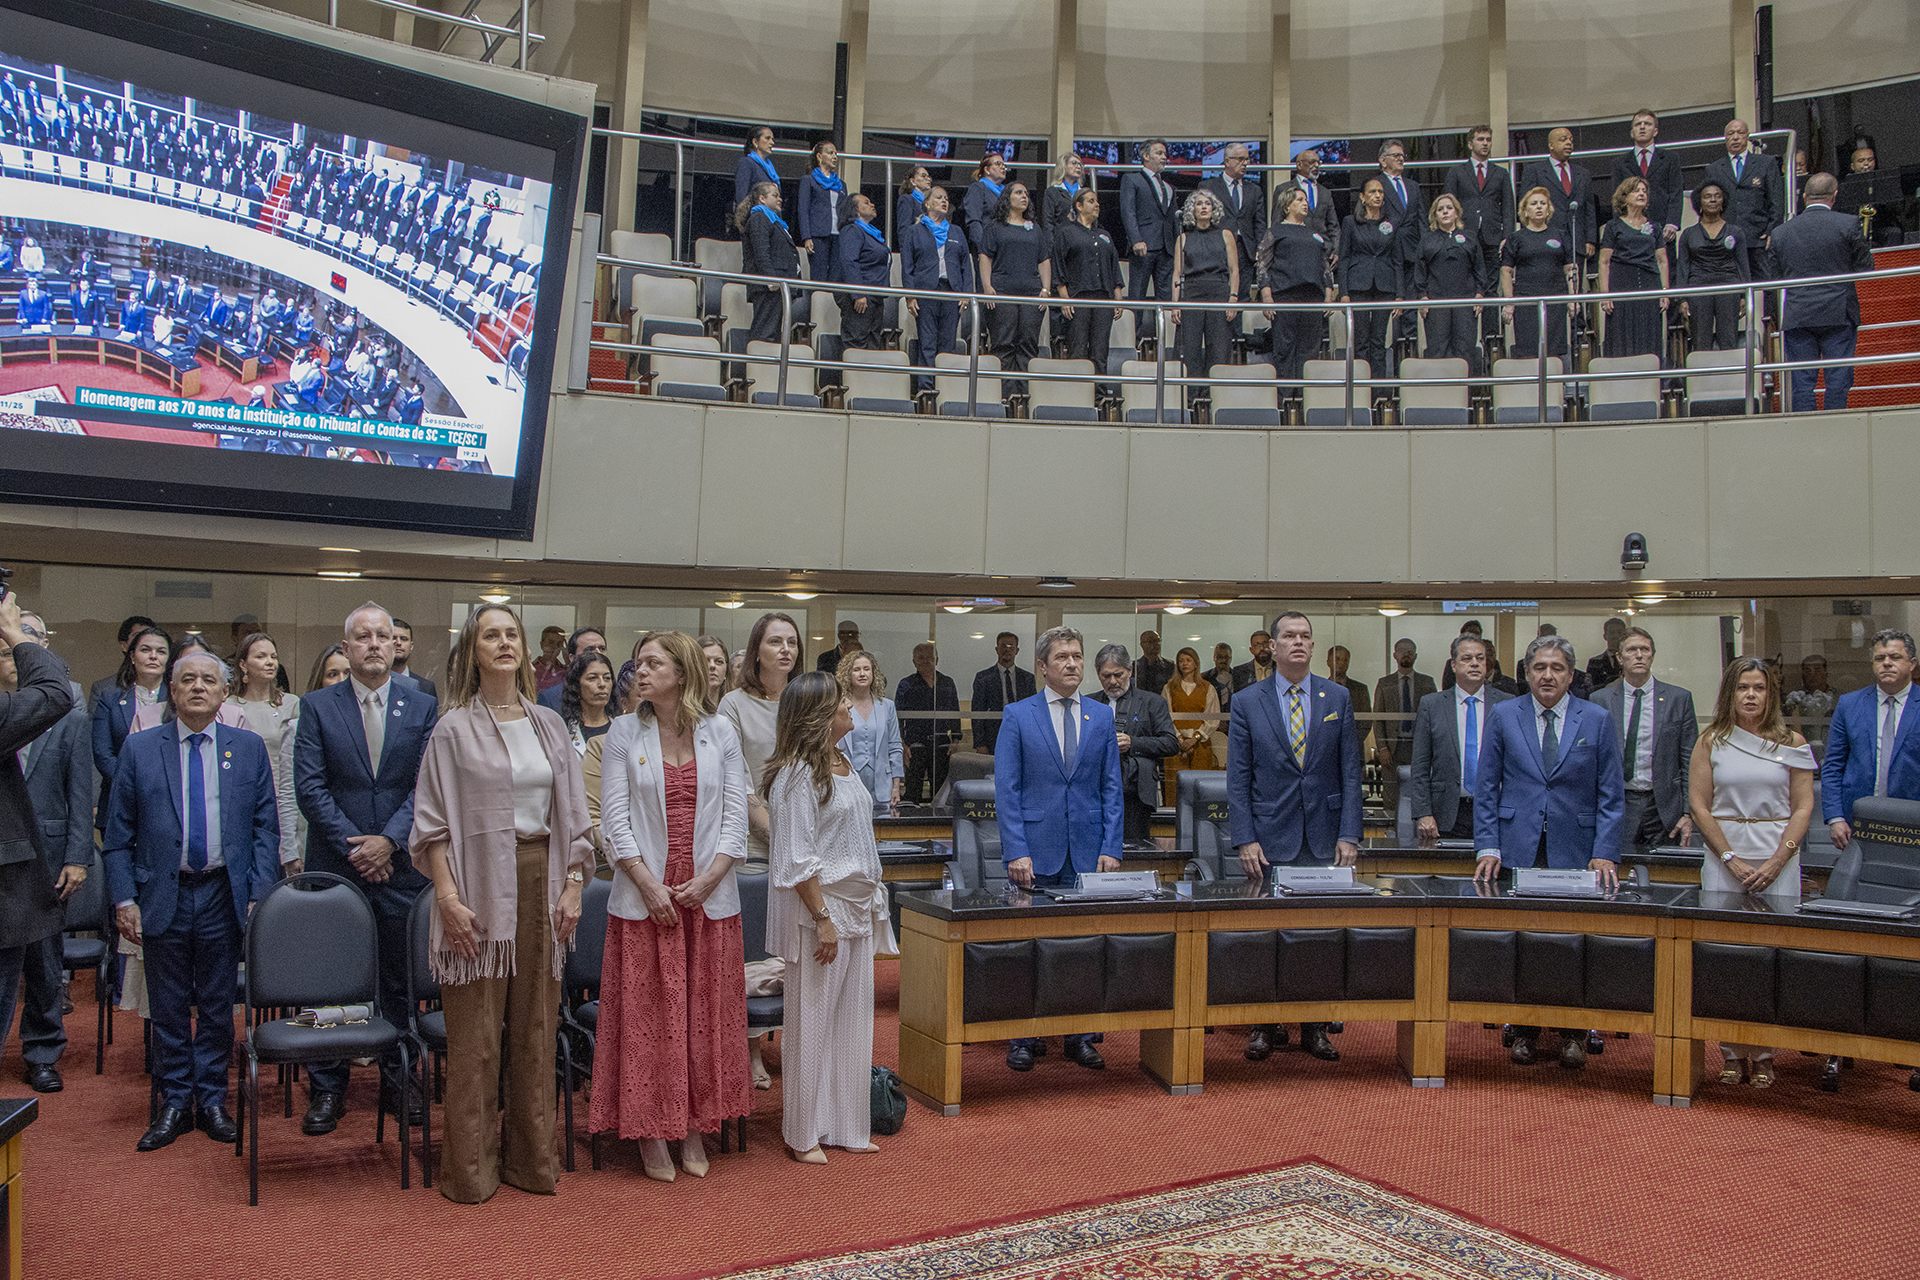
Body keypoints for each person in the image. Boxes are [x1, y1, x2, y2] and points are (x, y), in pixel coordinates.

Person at [415, 604, 591, 1202]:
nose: (505, 642)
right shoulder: (452, 728)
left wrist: (573, 883)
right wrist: (446, 897)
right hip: (475, 887)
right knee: (478, 1038)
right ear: (473, 650)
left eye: (512, 633)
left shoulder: (548, 724)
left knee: (537, 1030)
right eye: (491, 635)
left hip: (543, 879)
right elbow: (431, 827)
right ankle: (471, 1172)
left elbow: (575, 818)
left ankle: (530, 1163)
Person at [104, 649, 278, 1151]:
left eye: (209, 680)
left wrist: (259, 893)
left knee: (220, 1006)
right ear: (172, 691)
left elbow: (267, 827)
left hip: (225, 893)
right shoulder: (139, 749)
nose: (198, 686)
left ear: (225, 694)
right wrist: (123, 898)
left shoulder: (246, 749)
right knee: (170, 1007)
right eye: (187, 680)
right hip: (164, 894)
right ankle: (175, 1102)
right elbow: (117, 837)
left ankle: (214, 1100)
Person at [594, 630, 750, 1182]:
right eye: (638, 663)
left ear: (680, 674)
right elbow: (613, 820)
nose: (640, 671)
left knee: (701, 1017)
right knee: (650, 1018)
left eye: (653, 663)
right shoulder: (621, 732)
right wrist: (647, 883)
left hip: (707, 895)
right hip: (646, 897)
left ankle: (691, 1126)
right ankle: (650, 1131)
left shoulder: (721, 732)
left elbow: (736, 816)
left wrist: (709, 879)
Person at [292, 601, 439, 1136]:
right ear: (347, 646)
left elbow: (427, 784)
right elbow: (310, 787)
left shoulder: (423, 705)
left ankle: (400, 1084)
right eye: (363, 637)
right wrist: (358, 847)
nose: (375, 644)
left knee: (399, 981)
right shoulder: (317, 706)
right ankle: (327, 1089)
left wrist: (389, 842)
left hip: (401, 867)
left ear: (395, 645)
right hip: (338, 868)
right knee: (331, 982)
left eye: (383, 635)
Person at [1472, 634, 1626, 1070]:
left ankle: (1574, 1032)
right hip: (1518, 848)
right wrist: (1488, 843)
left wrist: (1606, 852)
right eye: (1539, 667)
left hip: (1577, 849)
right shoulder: (1503, 715)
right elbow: (1486, 788)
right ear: (1526, 673)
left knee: (1572, 943)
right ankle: (1523, 1029)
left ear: (1571, 675)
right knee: (1524, 942)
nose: (1548, 675)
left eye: (1557, 668)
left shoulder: (1595, 719)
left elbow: (1611, 794)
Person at [1227, 612, 1362, 1064]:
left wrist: (1350, 833)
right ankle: (1265, 1025)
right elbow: (1238, 777)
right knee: (1267, 935)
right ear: (1273, 646)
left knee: (1318, 937)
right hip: (1268, 837)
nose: (1298, 642)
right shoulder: (1248, 701)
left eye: (1305, 636)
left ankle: (1316, 1027)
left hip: (1324, 838)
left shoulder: (1337, 696)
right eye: (1289, 636)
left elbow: (1349, 770)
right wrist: (1244, 837)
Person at [765, 671, 890, 1161]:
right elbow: (796, 857)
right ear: (819, 713)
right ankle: (804, 1132)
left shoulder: (842, 761)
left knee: (854, 1022)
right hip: (822, 910)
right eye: (842, 700)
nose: (850, 707)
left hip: (857, 906)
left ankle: (846, 1126)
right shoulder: (797, 773)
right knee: (812, 1024)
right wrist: (821, 917)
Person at [994, 626, 1122, 1072]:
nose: (1072, 664)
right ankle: (1023, 1038)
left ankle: (1079, 1035)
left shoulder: (1100, 717)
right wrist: (1016, 850)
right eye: (1062, 657)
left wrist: (1112, 846)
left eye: (1077, 656)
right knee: (1028, 945)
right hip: (1034, 852)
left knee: (1081, 947)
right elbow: (1007, 790)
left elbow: (1111, 788)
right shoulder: (1018, 715)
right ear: (1042, 666)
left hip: (1087, 851)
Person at [1688, 657, 1817, 1088]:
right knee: (1726, 959)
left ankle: (1763, 1054)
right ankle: (1729, 1051)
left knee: (1770, 959)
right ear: (1730, 692)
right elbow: (1700, 807)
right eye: (1743, 687)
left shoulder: (1792, 741)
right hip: (1725, 861)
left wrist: (1779, 860)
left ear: (1770, 693)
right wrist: (1729, 858)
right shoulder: (1711, 741)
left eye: (1759, 688)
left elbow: (1803, 806)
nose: (1750, 695)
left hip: (1778, 859)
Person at [0, 622, 89, 1094]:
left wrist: (78, 856)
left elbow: (81, 792)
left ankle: (42, 1051)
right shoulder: (6, 711)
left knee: (45, 962)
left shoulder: (69, 717)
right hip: (6, 865)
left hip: (50, 856)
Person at [1769, 173, 1874, 414]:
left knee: (1802, 382)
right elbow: (1866, 268)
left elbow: (1774, 277)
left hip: (1798, 314)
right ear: (1834, 196)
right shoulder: (1848, 223)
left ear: (1804, 197)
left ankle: (1806, 432)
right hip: (1838, 312)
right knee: (1838, 379)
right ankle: (1835, 427)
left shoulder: (1781, 232)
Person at [1590, 627, 1698, 857]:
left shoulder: (1679, 699)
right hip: (1619, 803)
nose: (1639, 655)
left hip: (1664, 807)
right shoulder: (1601, 700)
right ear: (1620, 658)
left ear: (1652, 655)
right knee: (1617, 867)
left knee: (1664, 872)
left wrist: (1688, 813)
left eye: (1644, 650)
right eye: (1631, 650)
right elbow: (1592, 760)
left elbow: (1689, 761)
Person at [1820, 629, 1920, 856]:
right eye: (1879, 658)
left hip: (1913, 820)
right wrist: (1835, 817)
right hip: (1857, 822)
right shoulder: (1849, 704)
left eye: (1895, 657)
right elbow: (1833, 766)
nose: (1886, 663)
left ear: (1912, 663)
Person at [1409, 633, 1513, 843]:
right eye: (1467, 659)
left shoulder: (1507, 704)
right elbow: (1420, 766)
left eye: (1480, 658)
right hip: (1446, 813)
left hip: (1496, 810)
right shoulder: (1432, 705)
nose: (1475, 664)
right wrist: (1423, 813)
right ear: (1454, 665)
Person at [718, 612, 801, 864]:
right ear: (756, 650)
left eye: (792, 642)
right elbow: (737, 786)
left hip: (807, 841)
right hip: (755, 847)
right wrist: (782, 843)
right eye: (775, 642)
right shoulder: (733, 704)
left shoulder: (806, 703)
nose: (785, 649)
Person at [1086, 644, 1179, 843]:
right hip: (1094, 793)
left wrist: (1133, 743)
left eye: (1118, 674)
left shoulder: (1151, 702)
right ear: (1097, 673)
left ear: (1129, 670)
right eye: (1106, 676)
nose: (1112, 681)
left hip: (1135, 793)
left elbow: (1171, 743)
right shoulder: (1088, 703)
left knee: (1134, 852)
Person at [228, 632, 301, 871]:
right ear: (243, 664)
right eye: (261, 656)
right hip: (241, 798)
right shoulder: (227, 706)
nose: (270, 662)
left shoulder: (291, 704)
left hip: (283, 798)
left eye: (273, 656)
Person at [91, 623, 171, 836]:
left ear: (168, 660)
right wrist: (133, 783)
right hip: (118, 799)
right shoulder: (110, 698)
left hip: (168, 801)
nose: (153, 656)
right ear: (132, 656)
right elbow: (102, 753)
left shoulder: (177, 701)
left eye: (161, 651)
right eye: (146, 650)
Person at [977, 182, 1051, 392]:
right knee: (1003, 343)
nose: (1024, 196)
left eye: (1026, 193)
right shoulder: (995, 227)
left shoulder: (1035, 228)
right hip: (1002, 293)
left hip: (1031, 294)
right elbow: (985, 257)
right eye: (1019, 192)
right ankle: (1005, 393)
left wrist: (1045, 289)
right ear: (1007, 198)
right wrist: (987, 286)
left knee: (1028, 343)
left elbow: (1044, 260)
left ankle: (1024, 395)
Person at [898, 187, 972, 392]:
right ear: (927, 203)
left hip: (951, 292)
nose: (944, 201)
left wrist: (966, 294)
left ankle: (946, 388)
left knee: (947, 344)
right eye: (939, 197)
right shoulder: (914, 231)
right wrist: (910, 295)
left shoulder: (956, 231)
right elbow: (908, 265)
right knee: (927, 343)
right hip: (926, 292)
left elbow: (966, 263)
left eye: (946, 198)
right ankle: (927, 390)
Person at [1170, 191, 1239, 399]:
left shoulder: (1225, 234)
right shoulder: (1183, 237)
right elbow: (1177, 273)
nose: (1203, 207)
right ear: (1192, 209)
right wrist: (1175, 304)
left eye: (1207, 203)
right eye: (1199, 204)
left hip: (1218, 289)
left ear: (1213, 208)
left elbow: (1234, 269)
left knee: (1218, 347)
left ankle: (1216, 398)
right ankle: (1189, 398)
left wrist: (1233, 298)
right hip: (1191, 291)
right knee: (1189, 347)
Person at [1337, 177, 1403, 396]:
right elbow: (1344, 258)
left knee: (1379, 340)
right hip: (1358, 285)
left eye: (1381, 192)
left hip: (1385, 286)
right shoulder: (1350, 222)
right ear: (1363, 197)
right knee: (1361, 340)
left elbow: (1397, 259)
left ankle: (1380, 393)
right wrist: (1344, 291)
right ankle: (1361, 391)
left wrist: (1400, 294)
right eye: (1373, 192)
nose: (1378, 195)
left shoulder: (1392, 222)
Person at [1260, 184, 1332, 382]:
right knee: (1284, 347)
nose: (1304, 204)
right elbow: (1263, 265)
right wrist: (1266, 295)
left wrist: (1328, 292)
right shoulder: (1275, 231)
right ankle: (1285, 398)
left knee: (1310, 348)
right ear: (1287, 206)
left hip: (1313, 296)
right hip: (1286, 295)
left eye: (1306, 200)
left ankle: (1304, 397)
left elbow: (1324, 264)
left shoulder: (1314, 232)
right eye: (1299, 200)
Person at [1703, 120, 1786, 282]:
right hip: (1726, 239)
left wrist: (1771, 231)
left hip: (1759, 239)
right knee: (1731, 287)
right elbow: (1708, 206)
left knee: (1768, 286)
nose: (1735, 137)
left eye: (1740, 133)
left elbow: (1776, 200)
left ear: (1747, 137)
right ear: (1725, 138)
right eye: (1730, 134)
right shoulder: (1713, 169)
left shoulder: (1766, 163)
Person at [1597, 177, 1670, 360]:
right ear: (1624, 197)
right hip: (1622, 282)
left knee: (1649, 331)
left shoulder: (1654, 226)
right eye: (1636, 190)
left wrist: (1665, 291)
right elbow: (1604, 261)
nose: (1641, 194)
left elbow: (1662, 260)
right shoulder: (1613, 226)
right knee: (1623, 331)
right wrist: (1605, 294)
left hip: (1649, 282)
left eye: (1644, 191)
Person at [1415, 192, 1488, 373]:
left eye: (1449, 208)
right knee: (1438, 348)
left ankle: (1466, 395)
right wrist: (1422, 296)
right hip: (1436, 302)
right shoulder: (1427, 239)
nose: (1445, 212)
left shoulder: (1470, 237)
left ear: (1457, 212)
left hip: (1465, 301)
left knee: (1465, 349)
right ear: (1434, 215)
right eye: (1440, 209)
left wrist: (1480, 294)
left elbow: (1479, 269)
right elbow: (1420, 271)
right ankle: (1439, 395)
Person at [1052, 187, 1123, 370]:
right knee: (1078, 349)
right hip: (1078, 297)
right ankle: (1078, 394)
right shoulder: (1066, 233)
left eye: (1097, 201)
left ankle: (1099, 395)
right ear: (1079, 205)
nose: (1096, 205)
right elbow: (1059, 266)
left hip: (1103, 298)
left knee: (1100, 350)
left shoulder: (1105, 235)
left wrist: (1118, 297)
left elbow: (1114, 266)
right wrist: (1065, 298)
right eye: (1091, 201)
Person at [1502, 187, 1576, 360]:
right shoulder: (1516, 238)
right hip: (1526, 300)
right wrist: (1509, 302)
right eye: (1534, 204)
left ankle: (1556, 385)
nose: (1539, 207)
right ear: (1525, 210)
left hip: (1555, 298)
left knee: (1554, 348)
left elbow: (1570, 269)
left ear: (1549, 209)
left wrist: (1573, 299)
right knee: (1528, 347)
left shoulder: (1560, 235)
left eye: (1543, 203)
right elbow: (1506, 271)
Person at [1676, 180, 1750, 353]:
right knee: (1700, 341)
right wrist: (1682, 299)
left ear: (1723, 201)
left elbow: (1742, 265)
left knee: (1728, 341)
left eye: (1717, 196)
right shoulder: (1688, 234)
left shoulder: (1736, 232)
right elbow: (1683, 267)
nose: (1713, 200)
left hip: (1728, 288)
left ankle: (1729, 378)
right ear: (1699, 202)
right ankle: (1702, 378)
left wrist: (1744, 296)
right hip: (1698, 290)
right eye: (1708, 197)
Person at [1368, 138, 1425, 350]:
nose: (1401, 159)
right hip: (1386, 250)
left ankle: (1408, 347)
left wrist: (1424, 245)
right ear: (1383, 161)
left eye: (1403, 156)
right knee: (1391, 302)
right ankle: (1391, 347)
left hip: (1411, 250)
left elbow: (1421, 219)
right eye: (1396, 155)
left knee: (1410, 299)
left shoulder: (1413, 185)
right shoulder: (1376, 185)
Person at [1120, 138, 1179, 335]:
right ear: (1145, 156)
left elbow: (1173, 219)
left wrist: (1177, 245)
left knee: (1166, 297)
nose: (1164, 157)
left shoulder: (1169, 187)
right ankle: (1133, 340)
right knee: (1137, 295)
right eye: (1159, 153)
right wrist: (1135, 238)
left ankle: (1165, 341)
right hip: (1143, 245)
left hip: (1166, 247)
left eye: (1165, 153)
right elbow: (1128, 212)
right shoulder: (1132, 179)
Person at [1373, 639, 1437, 817]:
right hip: (1393, 747)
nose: (1406, 654)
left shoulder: (1427, 683)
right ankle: (1391, 829)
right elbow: (1378, 719)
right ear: (1395, 655)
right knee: (1392, 790)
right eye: (1402, 650)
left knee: (1419, 787)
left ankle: (1418, 827)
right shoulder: (1385, 683)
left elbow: (1434, 717)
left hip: (1419, 746)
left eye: (1410, 651)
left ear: (1415, 656)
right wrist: (1383, 747)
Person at [1607, 110, 1684, 256]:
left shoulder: (1670, 158)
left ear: (1655, 131)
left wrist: (1672, 223)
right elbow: (1617, 198)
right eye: (1638, 124)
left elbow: (1675, 193)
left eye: (1647, 124)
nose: (1642, 127)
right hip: (1630, 230)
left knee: (1665, 272)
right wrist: (1619, 227)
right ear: (1632, 132)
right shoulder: (1620, 163)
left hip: (1663, 229)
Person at [1518, 128, 1597, 268]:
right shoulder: (1534, 171)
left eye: (1571, 140)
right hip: (1545, 240)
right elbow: (1525, 205)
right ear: (1551, 145)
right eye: (1563, 139)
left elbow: (1589, 207)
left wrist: (1590, 239)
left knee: (1574, 286)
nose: (1569, 143)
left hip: (1576, 241)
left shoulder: (1583, 173)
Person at [739, 181, 802, 348]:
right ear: (762, 199)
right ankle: (757, 368)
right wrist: (771, 280)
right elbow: (761, 252)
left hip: (778, 286)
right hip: (769, 287)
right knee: (764, 332)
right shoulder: (759, 218)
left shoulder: (774, 220)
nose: (780, 199)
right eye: (775, 195)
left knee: (772, 333)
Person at [836, 650, 902, 809]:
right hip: (849, 780)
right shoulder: (840, 706)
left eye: (866, 669)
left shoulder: (887, 706)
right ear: (848, 674)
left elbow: (895, 746)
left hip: (882, 786)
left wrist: (896, 785)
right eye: (856, 669)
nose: (862, 674)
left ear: (873, 673)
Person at [895, 642, 959, 804]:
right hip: (915, 745)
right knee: (913, 790)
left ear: (936, 660)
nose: (925, 661)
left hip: (941, 743)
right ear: (914, 662)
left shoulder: (947, 683)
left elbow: (954, 712)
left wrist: (956, 740)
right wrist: (902, 744)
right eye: (921, 658)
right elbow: (898, 717)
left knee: (940, 790)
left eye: (930, 658)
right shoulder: (906, 684)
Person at [1444, 126, 1514, 273]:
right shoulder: (1456, 172)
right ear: (1470, 144)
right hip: (1464, 233)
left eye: (1488, 140)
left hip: (1493, 236)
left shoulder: (1501, 173)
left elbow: (1508, 208)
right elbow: (1448, 205)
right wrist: (1451, 234)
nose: (1485, 143)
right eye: (1480, 139)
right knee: (1465, 277)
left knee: (1492, 280)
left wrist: (1507, 237)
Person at [1160, 646, 1220, 808]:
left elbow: (1213, 718)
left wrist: (1195, 739)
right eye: (1181, 661)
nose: (1184, 664)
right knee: (1176, 786)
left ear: (1195, 663)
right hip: (1176, 745)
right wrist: (1180, 739)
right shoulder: (1169, 688)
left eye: (1188, 660)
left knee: (1201, 786)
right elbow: (1166, 716)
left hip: (1200, 745)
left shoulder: (1208, 688)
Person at [1199, 142, 1264, 289]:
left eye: (1247, 159)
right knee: (1219, 291)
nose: (1245, 163)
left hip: (1245, 249)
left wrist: (1260, 248)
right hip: (1217, 247)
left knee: (1243, 293)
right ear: (1227, 161)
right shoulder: (1208, 187)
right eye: (1240, 159)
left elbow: (1259, 222)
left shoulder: (1254, 190)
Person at [837, 194, 891, 353]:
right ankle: (852, 378)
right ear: (855, 210)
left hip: (875, 294)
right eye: (866, 203)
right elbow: (849, 261)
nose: (872, 204)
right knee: (856, 341)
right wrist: (858, 293)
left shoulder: (872, 234)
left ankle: (869, 377)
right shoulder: (852, 230)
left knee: (873, 341)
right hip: (861, 296)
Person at [971, 631, 1035, 755]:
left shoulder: (1027, 678)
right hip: (992, 738)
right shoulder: (983, 678)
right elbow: (977, 713)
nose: (1007, 650)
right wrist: (980, 743)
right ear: (996, 649)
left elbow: (1032, 711)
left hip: (1021, 735)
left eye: (1011, 646)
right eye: (1003, 646)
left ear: (1017, 650)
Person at [796, 141, 844, 286]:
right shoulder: (808, 180)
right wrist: (806, 236)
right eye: (830, 153)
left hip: (838, 235)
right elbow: (803, 209)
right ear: (819, 156)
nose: (834, 156)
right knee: (819, 276)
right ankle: (817, 307)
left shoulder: (842, 184)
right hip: (818, 235)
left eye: (835, 153)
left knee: (836, 277)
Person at [87, 614, 158, 712]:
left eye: (150, 636)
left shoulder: (171, 685)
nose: (145, 641)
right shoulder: (104, 688)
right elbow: (97, 726)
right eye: (138, 636)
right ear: (124, 646)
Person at [537, 629, 608, 712]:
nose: (598, 654)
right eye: (589, 649)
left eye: (602, 648)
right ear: (573, 658)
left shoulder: (615, 695)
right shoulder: (550, 698)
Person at [560, 651, 616, 756]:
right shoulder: (563, 731)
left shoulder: (622, 728)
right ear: (576, 685)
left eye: (607, 678)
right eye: (592, 678)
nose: (602, 684)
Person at [1783, 654, 1837, 755]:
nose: (1812, 675)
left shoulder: (1838, 698)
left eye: (1817, 670)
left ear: (1825, 673)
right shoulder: (1794, 700)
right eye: (1808, 671)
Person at [961, 152, 1009, 257]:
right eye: (997, 164)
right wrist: (983, 249)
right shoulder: (978, 188)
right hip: (986, 249)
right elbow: (974, 221)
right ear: (987, 170)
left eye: (1003, 165)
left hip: (1005, 249)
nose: (1002, 167)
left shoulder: (1007, 193)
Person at [733, 125, 780, 212]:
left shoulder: (770, 168)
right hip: (756, 219)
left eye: (772, 139)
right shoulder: (747, 163)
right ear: (755, 142)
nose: (772, 142)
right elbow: (742, 199)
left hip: (772, 219)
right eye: (767, 138)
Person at [390, 618, 437, 699]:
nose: (398, 643)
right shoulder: (375, 683)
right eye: (393, 638)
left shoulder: (425, 687)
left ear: (411, 646)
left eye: (404, 639)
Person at [1040, 152, 1086, 234]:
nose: (1078, 166)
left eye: (1080, 164)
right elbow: (1048, 223)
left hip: (1082, 240)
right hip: (1061, 240)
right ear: (1063, 166)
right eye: (1074, 163)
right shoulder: (1052, 192)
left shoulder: (1085, 194)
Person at [1587, 617, 1628, 690]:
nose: (1615, 636)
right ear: (1605, 636)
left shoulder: (1630, 660)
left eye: (1619, 632)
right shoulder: (1595, 662)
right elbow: (1591, 688)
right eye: (1612, 632)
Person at [1327, 645, 1371, 714]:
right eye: (1337, 659)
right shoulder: (1319, 689)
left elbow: (1365, 720)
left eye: (1345, 660)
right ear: (1328, 662)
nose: (1341, 663)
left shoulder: (1360, 690)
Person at [894, 164, 931, 244]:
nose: (928, 179)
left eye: (928, 177)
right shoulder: (907, 199)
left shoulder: (929, 203)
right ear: (913, 181)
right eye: (923, 176)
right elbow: (904, 229)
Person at [697, 635, 732, 706]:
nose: (712, 665)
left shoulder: (734, 708)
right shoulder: (681, 711)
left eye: (719, 661)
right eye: (705, 661)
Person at [1205, 643, 1236, 719]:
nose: (1223, 661)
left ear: (1230, 658)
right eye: (1219, 657)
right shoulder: (1205, 678)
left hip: (1233, 719)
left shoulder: (1237, 677)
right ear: (1214, 658)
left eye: (1226, 657)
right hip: (1210, 720)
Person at [533, 627, 568, 692]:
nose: (555, 647)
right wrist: (550, 662)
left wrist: (568, 661)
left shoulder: (564, 670)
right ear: (542, 644)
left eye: (559, 644)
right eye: (551, 642)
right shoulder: (531, 669)